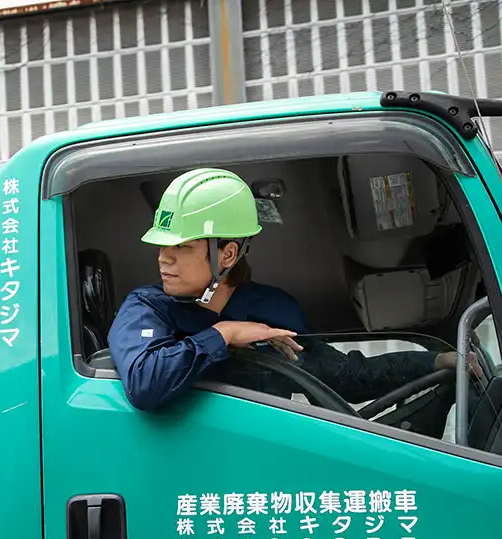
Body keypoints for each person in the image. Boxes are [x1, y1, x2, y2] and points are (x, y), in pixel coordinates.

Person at [108, 167, 461, 415]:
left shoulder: (272, 308)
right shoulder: (146, 309)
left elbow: (343, 377)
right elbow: (145, 383)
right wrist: (224, 334)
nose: (163, 259)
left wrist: (432, 362)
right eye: (161, 246)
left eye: (181, 247)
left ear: (227, 254)